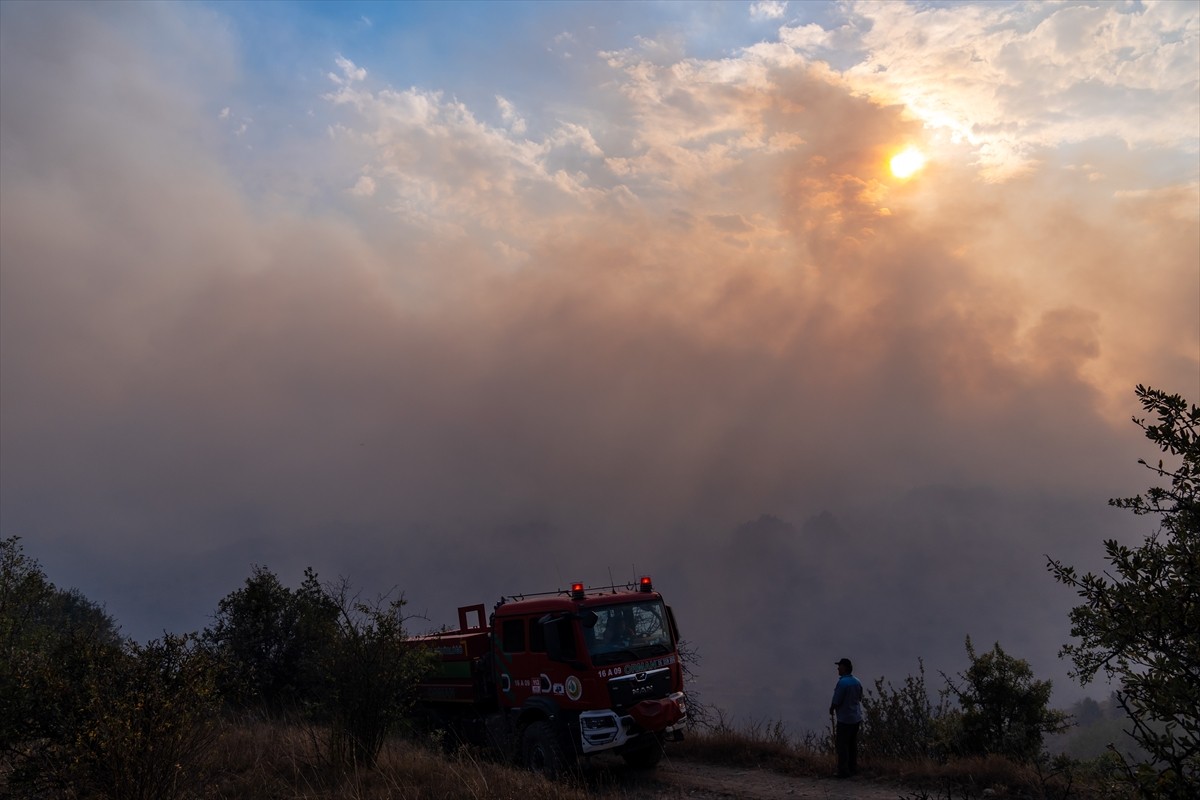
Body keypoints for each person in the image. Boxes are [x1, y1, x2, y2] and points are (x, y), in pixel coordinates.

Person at [829, 657, 863, 779]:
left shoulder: (842, 683)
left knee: (842, 745)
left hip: (845, 719)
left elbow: (837, 700)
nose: (838, 668)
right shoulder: (857, 681)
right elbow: (859, 698)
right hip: (856, 717)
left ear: (845, 668)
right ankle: (853, 768)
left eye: (840, 666)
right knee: (852, 744)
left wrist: (831, 709)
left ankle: (843, 771)